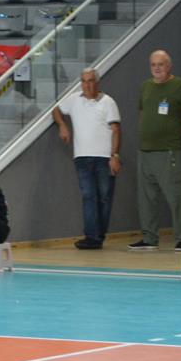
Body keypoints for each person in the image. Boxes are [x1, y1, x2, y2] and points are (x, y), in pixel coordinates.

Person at [130, 50, 181, 252]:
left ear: (169, 66)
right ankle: (149, 238)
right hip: (145, 151)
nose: (157, 68)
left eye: (160, 64)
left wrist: (177, 131)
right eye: (153, 64)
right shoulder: (145, 86)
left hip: (168, 151)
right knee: (146, 199)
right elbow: (143, 113)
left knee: (176, 196)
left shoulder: (180, 86)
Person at [53, 67, 122, 250]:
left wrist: (114, 155)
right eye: (84, 81)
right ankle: (92, 237)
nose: (87, 85)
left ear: (97, 82)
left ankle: (99, 235)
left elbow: (116, 130)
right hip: (82, 157)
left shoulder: (108, 102)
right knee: (88, 196)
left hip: (104, 158)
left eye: (90, 81)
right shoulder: (74, 99)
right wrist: (62, 126)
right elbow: (56, 110)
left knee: (104, 198)